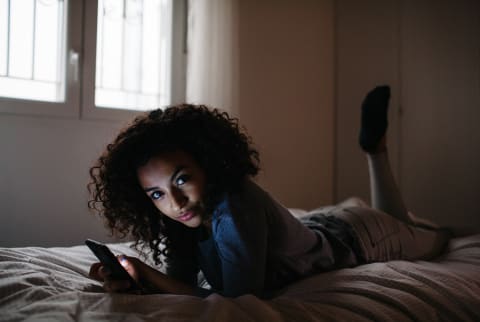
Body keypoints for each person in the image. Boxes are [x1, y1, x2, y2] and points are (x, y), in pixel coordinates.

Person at [87, 86, 449, 298]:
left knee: (437, 240)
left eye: (182, 179)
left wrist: (148, 276)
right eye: (156, 194)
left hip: (360, 237)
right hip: (326, 224)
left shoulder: (234, 204)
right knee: (405, 222)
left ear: (209, 164)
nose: (174, 202)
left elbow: (237, 302)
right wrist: (135, 280)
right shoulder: (182, 217)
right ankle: (374, 150)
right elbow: (183, 287)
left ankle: (375, 151)